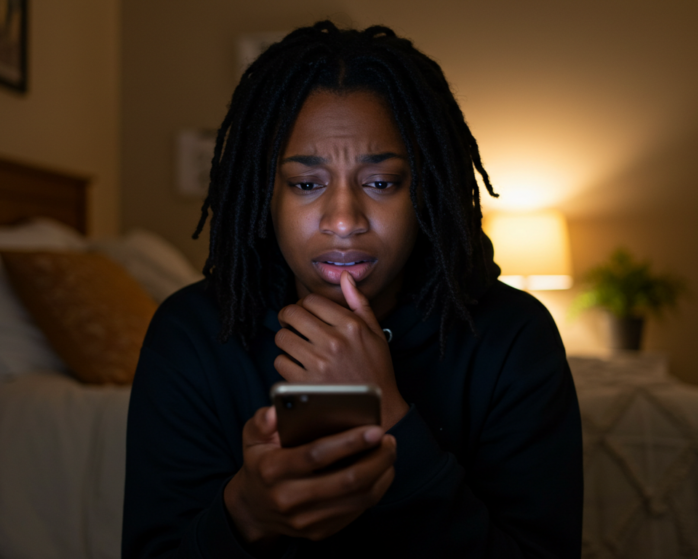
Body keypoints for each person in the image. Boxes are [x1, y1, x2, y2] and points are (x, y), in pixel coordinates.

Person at [122, 21, 582, 558]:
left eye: (381, 182)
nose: (343, 220)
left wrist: (389, 415)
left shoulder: (513, 336)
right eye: (306, 183)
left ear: (426, 191)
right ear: (265, 194)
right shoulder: (192, 333)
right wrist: (245, 512)